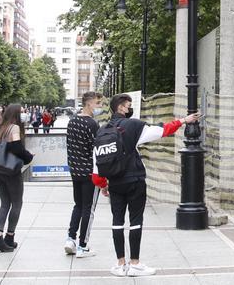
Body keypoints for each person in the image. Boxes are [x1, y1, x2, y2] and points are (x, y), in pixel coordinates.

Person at [92, 94, 197, 277]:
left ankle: (119, 264)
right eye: (128, 106)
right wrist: (183, 120)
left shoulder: (102, 132)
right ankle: (135, 264)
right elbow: (161, 130)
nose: (130, 109)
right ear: (121, 108)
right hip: (134, 180)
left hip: (114, 183)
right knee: (135, 221)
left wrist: (103, 185)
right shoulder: (132, 126)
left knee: (117, 222)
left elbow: (96, 165)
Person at [0, 104, 33, 253]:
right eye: (21, 112)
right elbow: (16, 148)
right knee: (17, 204)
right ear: (15, 114)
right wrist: (29, 157)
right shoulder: (14, 128)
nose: (23, 114)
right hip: (11, 171)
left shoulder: (2, 127)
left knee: (4, 204)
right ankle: (9, 236)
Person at [64, 92, 104, 258]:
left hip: (75, 170)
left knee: (78, 205)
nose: (99, 107)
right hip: (89, 172)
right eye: (97, 103)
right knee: (89, 208)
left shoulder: (72, 121)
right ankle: (83, 246)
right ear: (89, 104)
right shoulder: (93, 124)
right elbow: (97, 149)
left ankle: (70, 239)